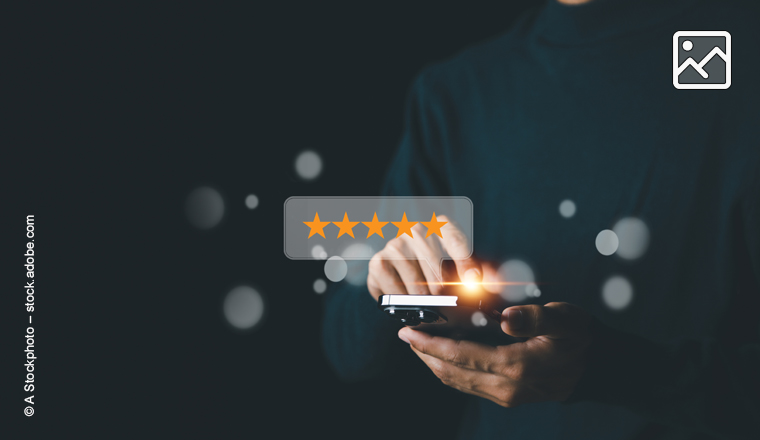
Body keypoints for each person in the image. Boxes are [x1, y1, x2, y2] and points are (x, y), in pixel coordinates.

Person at [322, 0, 760, 438]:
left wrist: (613, 370)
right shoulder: (454, 92)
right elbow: (347, 350)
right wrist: (385, 287)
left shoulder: (740, 51)